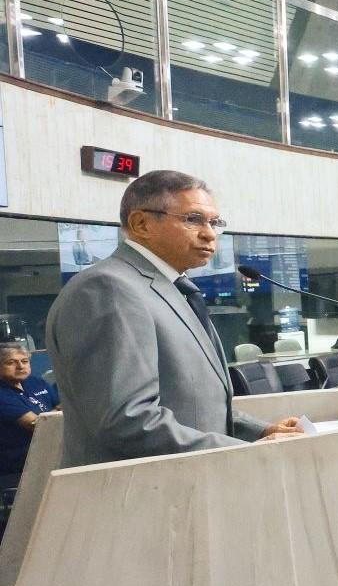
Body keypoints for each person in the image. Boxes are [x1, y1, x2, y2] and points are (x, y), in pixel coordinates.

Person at [46, 170, 304, 467]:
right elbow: (127, 420)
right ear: (141, 224)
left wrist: (260, 432)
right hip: (141, 490)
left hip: (187, 481)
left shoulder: (172, 289)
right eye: (193, 219)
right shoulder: (109, 289)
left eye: (214, 223)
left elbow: (191, 405)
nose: (209, 234)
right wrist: (242, 451)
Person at [0, 344, 60, 478]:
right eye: (11, 363)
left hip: (50, 453)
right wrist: (55, 413)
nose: (20, 366)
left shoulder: (36, 382)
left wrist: (52, 416)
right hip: (18, 467)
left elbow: (64, 408)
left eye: (24, 361)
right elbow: (39, 426)